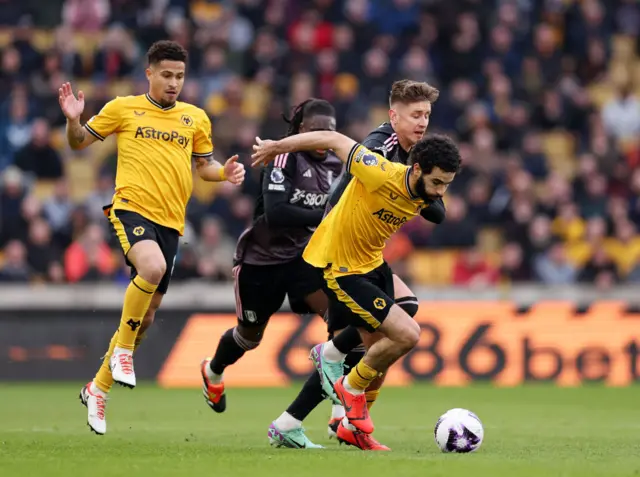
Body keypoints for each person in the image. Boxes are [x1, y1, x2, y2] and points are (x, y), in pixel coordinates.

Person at [60, 40, 245, 435]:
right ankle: (122, 353)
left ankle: (98, 388)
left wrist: (224, 174)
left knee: (145, 318)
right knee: (152, 266)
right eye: (166, 75)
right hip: (131, 208)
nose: (173, 82)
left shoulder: (195, 118)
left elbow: (205, 166)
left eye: (179, 76)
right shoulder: (122, 108)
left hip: (171, 224)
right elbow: (78, 143)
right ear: (149, 73)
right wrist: (74, 121)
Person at [252, 130, 461, 450]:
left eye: (447, 184)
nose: (440, 192)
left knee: (401, 314)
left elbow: (439, 211)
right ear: (417, 169)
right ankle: (349, 387)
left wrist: (434, 192)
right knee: (406, 335)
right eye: (437, 183)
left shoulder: (424, 191)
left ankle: (338, 407)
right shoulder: (378, 170)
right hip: (340, 268)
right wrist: (278, 146)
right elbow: (334, 138)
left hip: (372, 263)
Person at [200, 99, 343, 448]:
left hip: (305, 259)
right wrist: (328, 217)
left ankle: (339, 413)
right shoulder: (284, 157)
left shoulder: (338, 164)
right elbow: (277, 212)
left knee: (344, 327)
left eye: (329, 130)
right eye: (315, 130)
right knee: (249, 337)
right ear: (299, 131)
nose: (323, 137)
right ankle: (213, 370)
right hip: (261, 261)